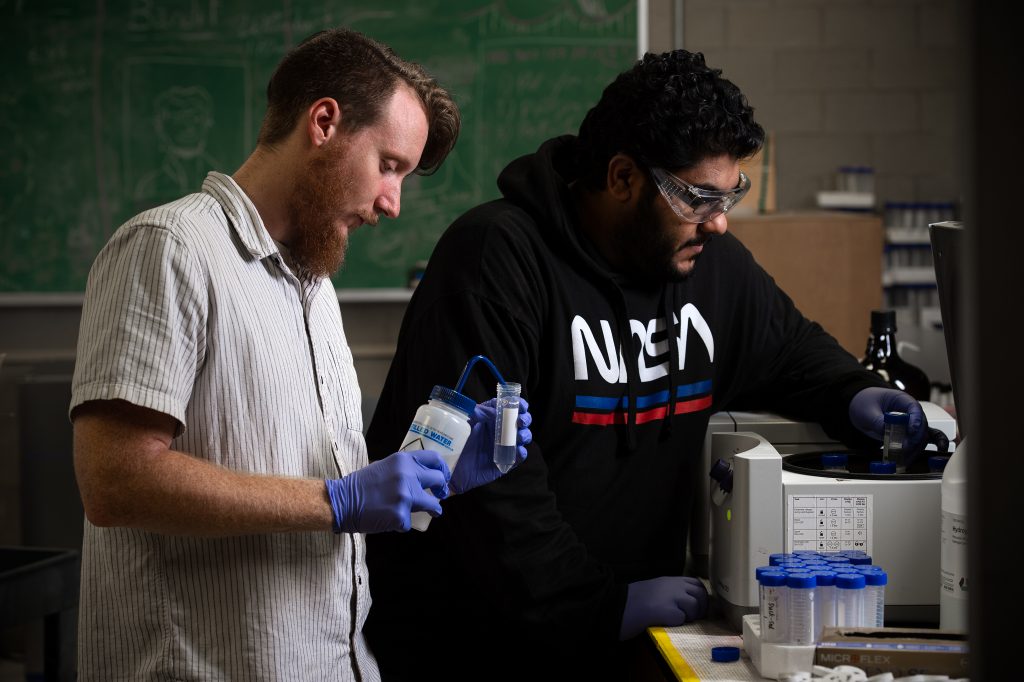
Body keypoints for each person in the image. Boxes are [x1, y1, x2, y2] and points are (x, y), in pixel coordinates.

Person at [362, 49, 940, 679]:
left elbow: (790, 348)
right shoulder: (495, 263)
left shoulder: (707, 264)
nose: (718, 222)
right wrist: (602, 604)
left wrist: (853, 392)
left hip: (621, 641)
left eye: (729, 196)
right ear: (622, 178)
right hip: (477, 648)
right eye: (698, 199)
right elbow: (493, 494)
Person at [68, 28, 531, 681]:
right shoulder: (171, 249)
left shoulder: (313, 287)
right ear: (324, 122)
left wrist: (429, 480)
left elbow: (294, 472)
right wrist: (338, 501)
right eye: (389, 166)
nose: (393, 204)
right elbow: (114, 481)